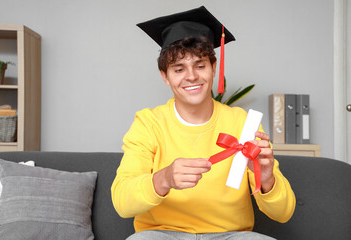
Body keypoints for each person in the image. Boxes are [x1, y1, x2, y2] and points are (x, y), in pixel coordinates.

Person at [111, 6, 296, 240]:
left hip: (230, 235)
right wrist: (164, 179)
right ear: (165, 76)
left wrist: (267, 177)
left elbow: (284, 213)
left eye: (200, 65)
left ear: (213, 68)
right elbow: (122, 204)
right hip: (162, 234)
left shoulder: (242, 123)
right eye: (179, 69)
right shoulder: (148, 123)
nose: (191, 76)